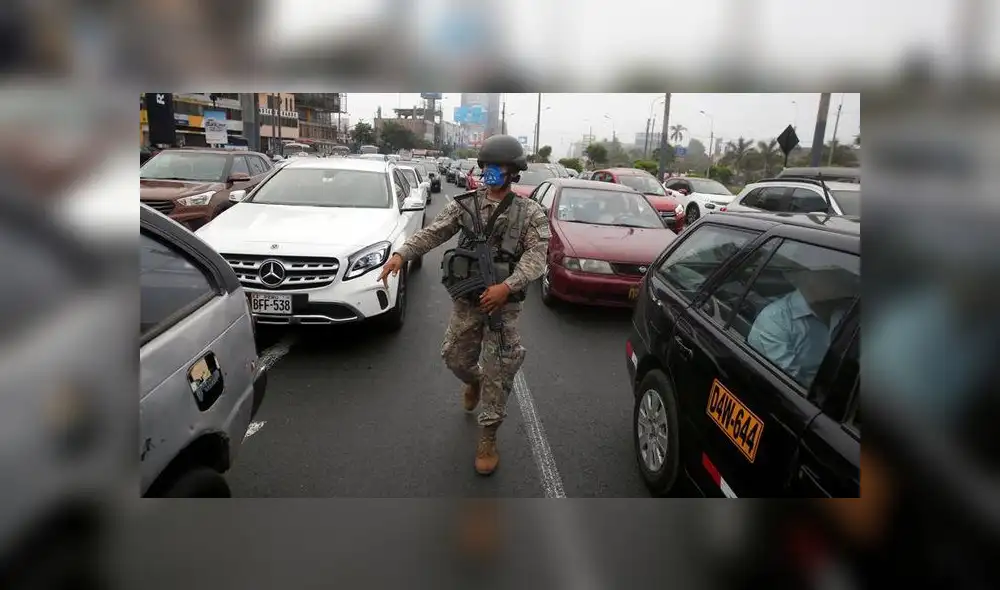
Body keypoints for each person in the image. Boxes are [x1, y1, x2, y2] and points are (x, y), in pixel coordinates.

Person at [378, 134, 550, 475]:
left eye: (499, 167)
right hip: (468, 300)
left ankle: (488, 436)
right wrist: (402, 253)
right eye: (487, 166)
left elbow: (536, 257)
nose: (491, 172)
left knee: (500, 369)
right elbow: (434, 232)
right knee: (454, 357)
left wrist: (507, 286)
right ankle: (473, 381)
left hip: (504, 305)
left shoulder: (530, 213)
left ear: (514, 172)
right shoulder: (465, 204)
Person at [747, 268, 857, 387]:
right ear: (804, 279)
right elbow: (790, 382)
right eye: (826, 276)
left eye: (838, 278)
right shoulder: (776, 320)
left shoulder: (847, 312)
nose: (837, 284)